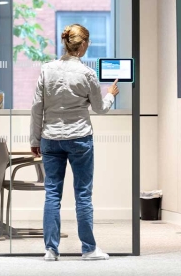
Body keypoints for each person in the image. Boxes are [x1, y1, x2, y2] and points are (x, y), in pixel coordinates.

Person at [30, 23, 119, 261]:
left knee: (51, 193)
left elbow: (37, 108)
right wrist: (110, 94)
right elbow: (100, 109)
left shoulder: (47, 70)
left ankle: (51, 249)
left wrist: (34, 138)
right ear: (83, 45)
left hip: (50, 139)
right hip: (79, 138)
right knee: (82, 194)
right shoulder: (87, 74)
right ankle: (89, 249)